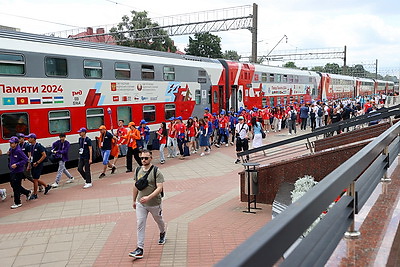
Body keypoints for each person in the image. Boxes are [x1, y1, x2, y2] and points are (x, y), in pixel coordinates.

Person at [129, 150, 166, 259]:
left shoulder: (156, 171)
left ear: (151, 158)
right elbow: (135, 186)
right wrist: (134, 200)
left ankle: (162, 232)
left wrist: (149, 197)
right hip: (141, 204)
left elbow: (160, 188)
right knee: (140, 223)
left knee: (159, 220)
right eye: (142, 158)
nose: (143, 160)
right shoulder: (138, 170)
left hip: (154, 203)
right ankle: (139, 248)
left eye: (146, 158)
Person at [8, 136, 31, 208]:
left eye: (12, 143)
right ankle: (27, 192)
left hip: (18, 171)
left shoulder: (18, 150)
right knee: (13, 184)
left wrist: (17, 164)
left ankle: (17, 202)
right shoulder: (11, 149)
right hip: (12, 170)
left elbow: (26, 159)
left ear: (16, 143)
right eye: (10, 143)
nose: (11, 144)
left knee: (16, 187)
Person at [26, 133, 51, 200]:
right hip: (32, 164)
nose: (28, 139)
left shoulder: (39, 146)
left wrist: (38, 162)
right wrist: (29, 165)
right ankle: (46, 186)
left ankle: (35, 194)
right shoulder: (29, 147)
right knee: (35, 179)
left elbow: (44, 155)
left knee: (35, 179)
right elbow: (29, 156)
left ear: (33, 139)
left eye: (29, 138)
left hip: (38, 165)